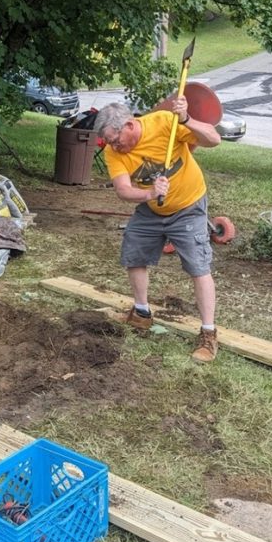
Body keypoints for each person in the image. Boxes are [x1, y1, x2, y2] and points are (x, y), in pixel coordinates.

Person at [93, 97, 221, 362]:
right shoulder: (114, 152)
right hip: (151, 208)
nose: (114, 147)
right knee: (134, 254)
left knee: (198, 266)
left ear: (129, 125)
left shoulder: (164, 123)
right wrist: (150, 193)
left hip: (188, 205)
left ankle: (208, 334)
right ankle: (141, 314)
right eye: (109, 143)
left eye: (116, 140)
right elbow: (123, 190)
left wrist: (186, 119)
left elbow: (213, 139)